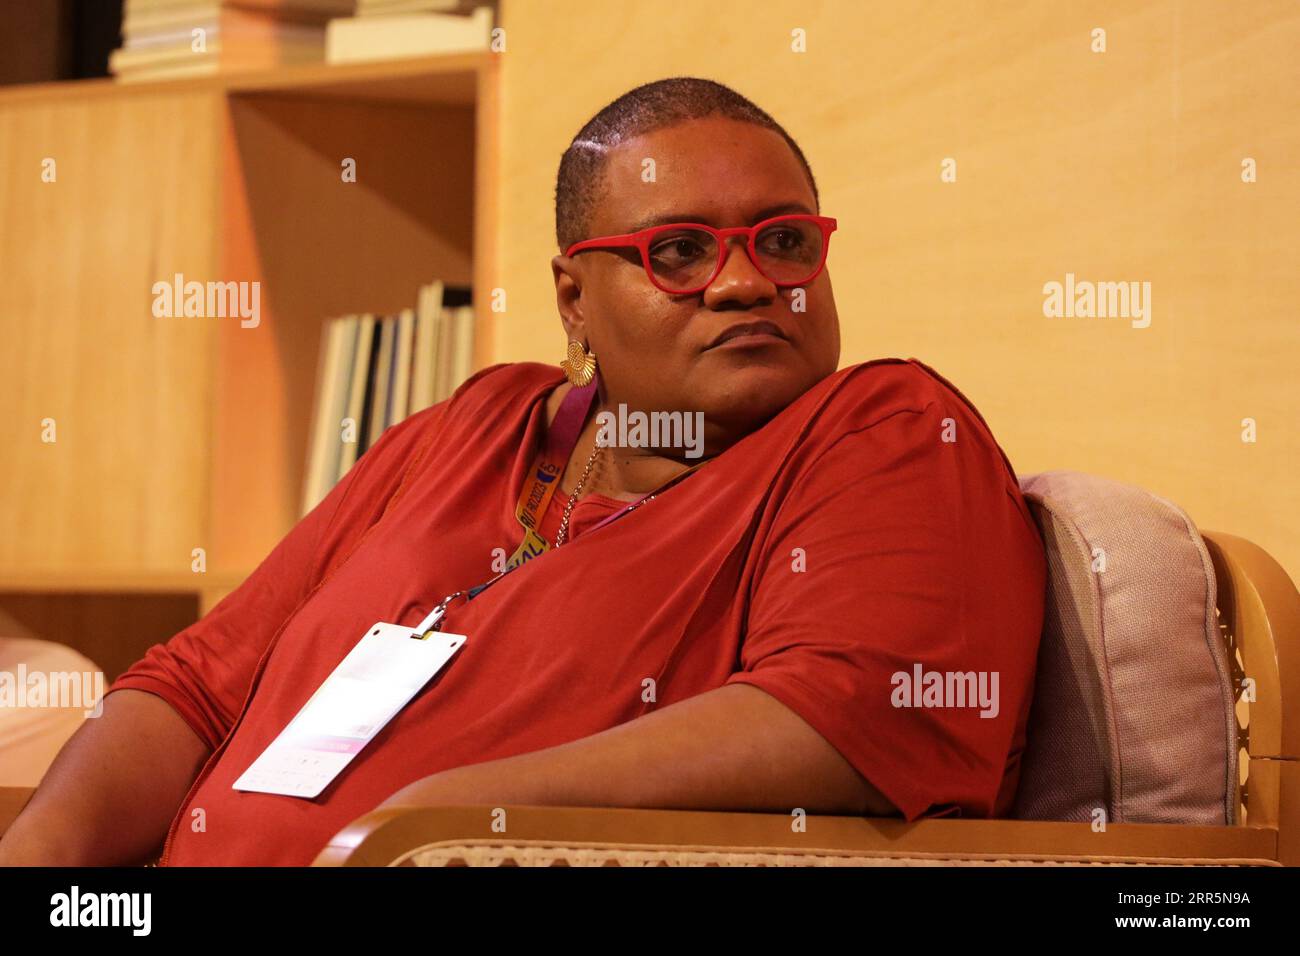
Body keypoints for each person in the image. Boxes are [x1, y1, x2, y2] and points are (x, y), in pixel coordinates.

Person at [0, 77, 1046, 867]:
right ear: (573, 298)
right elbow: (195, 679)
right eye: (677, 252)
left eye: (782, 242)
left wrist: (429, 822)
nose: (741, 283)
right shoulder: (477, 423)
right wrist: (45, 861)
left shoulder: (885, 430)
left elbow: (841, 715)